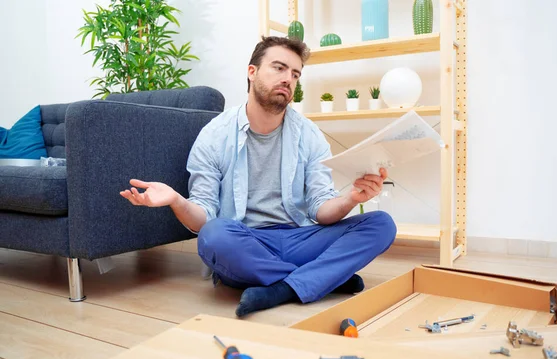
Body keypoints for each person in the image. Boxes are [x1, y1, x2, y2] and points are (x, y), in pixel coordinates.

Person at [120, 36, 397, 317]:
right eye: (279, 68)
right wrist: (176, 201)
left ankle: (283, 288)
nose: (288, 78)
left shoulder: (309, 134)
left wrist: (350, 199)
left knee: (381, 224)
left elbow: (321, 210)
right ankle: (323, 277)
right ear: (252, 72)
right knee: (213, 235)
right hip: (245, 241)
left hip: (298, 237)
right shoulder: (215, 135)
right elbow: (202, 218)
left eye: (295, 74)